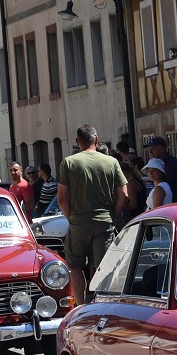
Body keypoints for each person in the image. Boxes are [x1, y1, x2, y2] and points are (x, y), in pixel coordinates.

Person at [58, 124, 129, 304]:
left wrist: (71, 218)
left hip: (78, 222)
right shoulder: (111, 162)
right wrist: (113, 214)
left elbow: (61, 199)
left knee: (75, 266)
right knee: (102, 267)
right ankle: (100, 304)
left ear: (77, 142)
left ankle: (81, 305)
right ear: (96, 140)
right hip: (104, 221)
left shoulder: (69, 163)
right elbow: (124, 195)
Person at [146, 136, 177, 202]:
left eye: (154, 148)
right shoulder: (151, 164)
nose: (150, 151)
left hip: (175, 205)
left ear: (163, 149)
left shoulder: (176, 164)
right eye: (149, 149)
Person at [119, 156, 146, 223]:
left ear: (123, 172)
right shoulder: (137, 180)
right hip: (140, 215)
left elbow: (133, 205)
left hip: (135, 218)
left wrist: (120, 205)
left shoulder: (131, 185)